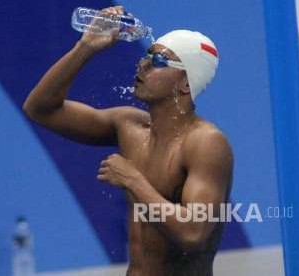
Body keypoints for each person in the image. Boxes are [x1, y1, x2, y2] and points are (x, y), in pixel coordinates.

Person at [23, 6, 233, 276]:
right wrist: (85, 47)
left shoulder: (205, 143)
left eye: (157, 61)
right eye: (146, 56)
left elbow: (193, 232)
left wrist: (133, 179)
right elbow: (40, 109)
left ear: (184, 83)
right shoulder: (130, 126)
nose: (142, 64)